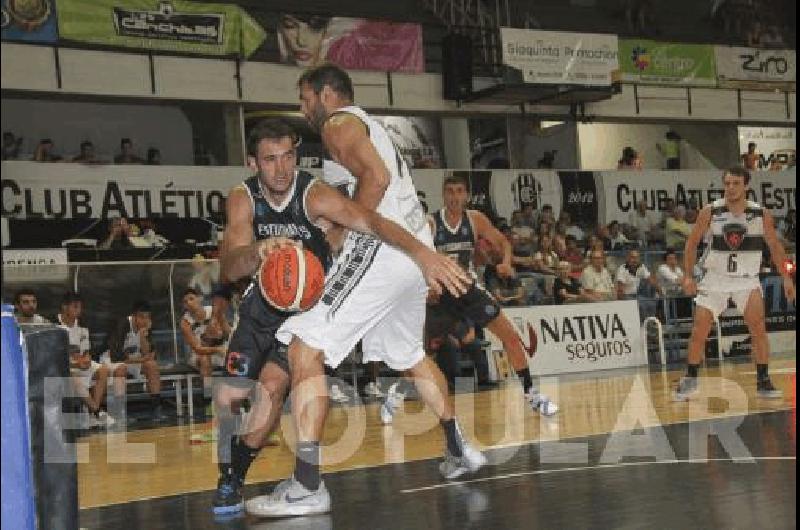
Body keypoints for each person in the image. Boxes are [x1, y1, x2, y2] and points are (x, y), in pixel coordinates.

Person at [242, 66, 480, 519]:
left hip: (384, 248)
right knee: (409, 354)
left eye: (304, 96)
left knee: (303, 343)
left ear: (325, 94)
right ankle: (458, 447)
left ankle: (307, 485)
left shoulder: (338, 123)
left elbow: (377, 181)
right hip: (411, 250)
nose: (302, 106)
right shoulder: (367, 125)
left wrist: (340, 237)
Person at [674, 167, 796, 401]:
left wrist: (786, 277)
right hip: (715, 279)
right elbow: (691, 244)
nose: (730, 188)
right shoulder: (710, 211)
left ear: (746, 186)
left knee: (758, 329)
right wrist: (688, 275)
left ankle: (763, 381)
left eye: (735, 183)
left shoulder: (760, 214)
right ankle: (690, 379)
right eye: (727, 183)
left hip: (746, 279)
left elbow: (775, 248)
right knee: (699, 330)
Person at [57, 292, 118, 428]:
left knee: (103, 370)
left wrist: (86, 360)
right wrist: (75, 363)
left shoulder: (83, 325)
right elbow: (55, 357)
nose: (78, 311)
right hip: (63, 366)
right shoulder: (54, 325)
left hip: (79, 364)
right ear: (64, 307)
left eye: (80, 307)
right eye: (75, 307)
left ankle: (92, 415)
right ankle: (97, 411)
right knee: (73, 376)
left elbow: (86, 352)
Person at [102, 300, 165, 420]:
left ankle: (156, 409)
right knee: (121, 368)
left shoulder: (146, 327)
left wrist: (142, 336)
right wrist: (140, 360)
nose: (144, 320)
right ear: (134, 316)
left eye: (147, 317)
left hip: (133, 360)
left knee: (152, 365)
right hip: (111, 359)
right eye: (141, 317)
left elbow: (149, 355)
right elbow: (116, 356)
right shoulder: (123, 324)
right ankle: (120, 413)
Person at [180, 288, 228, 405]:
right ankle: (208, 400)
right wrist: (216, 348)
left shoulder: (213, 312)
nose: (189, 303)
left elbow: (227, 332)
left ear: (200, 299)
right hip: (199, 353)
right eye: (185, 302)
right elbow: (197, 349)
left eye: (191, 299)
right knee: (204, 360)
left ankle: (242, 397)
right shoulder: (185, 322)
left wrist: (219, 335)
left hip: (220, 348)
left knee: (238, 358)